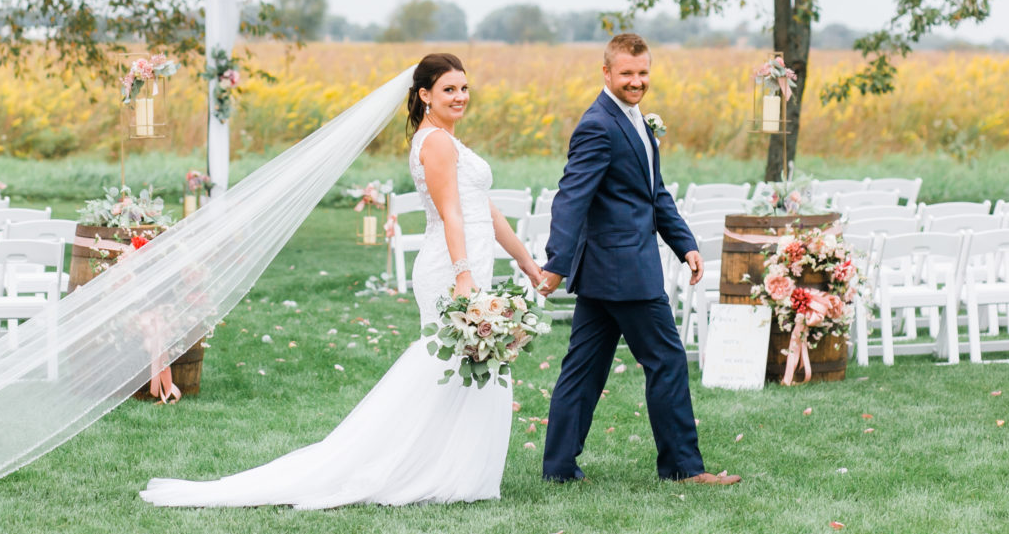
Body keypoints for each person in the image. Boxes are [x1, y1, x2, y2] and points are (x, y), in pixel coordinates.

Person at [141, 53, 544, 508]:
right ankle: (398, 466)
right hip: (451, 269)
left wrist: (526, 262)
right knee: (443, 365)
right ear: (425, 95)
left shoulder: (449, 142)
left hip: (468, 263)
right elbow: (451, 213)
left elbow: (484, 209)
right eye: (449, 89)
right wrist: (464, 276)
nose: (460, 97)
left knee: (465, 368)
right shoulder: (436, 144)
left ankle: (447, 469)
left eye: (465, 88)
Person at [537, 34, 740, 487]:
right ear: (606, 72)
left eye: (643, 72)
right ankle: (683, 468)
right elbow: (571, 197)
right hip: (624, 270)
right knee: (667, 360)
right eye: (627, 73)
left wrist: (683, 242)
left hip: (608, 271)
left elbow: (654, 194)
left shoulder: (635, 122)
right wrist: (556, 263)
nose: (636, 81)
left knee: (583, 370)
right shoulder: (597, 125)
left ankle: (559, 468)